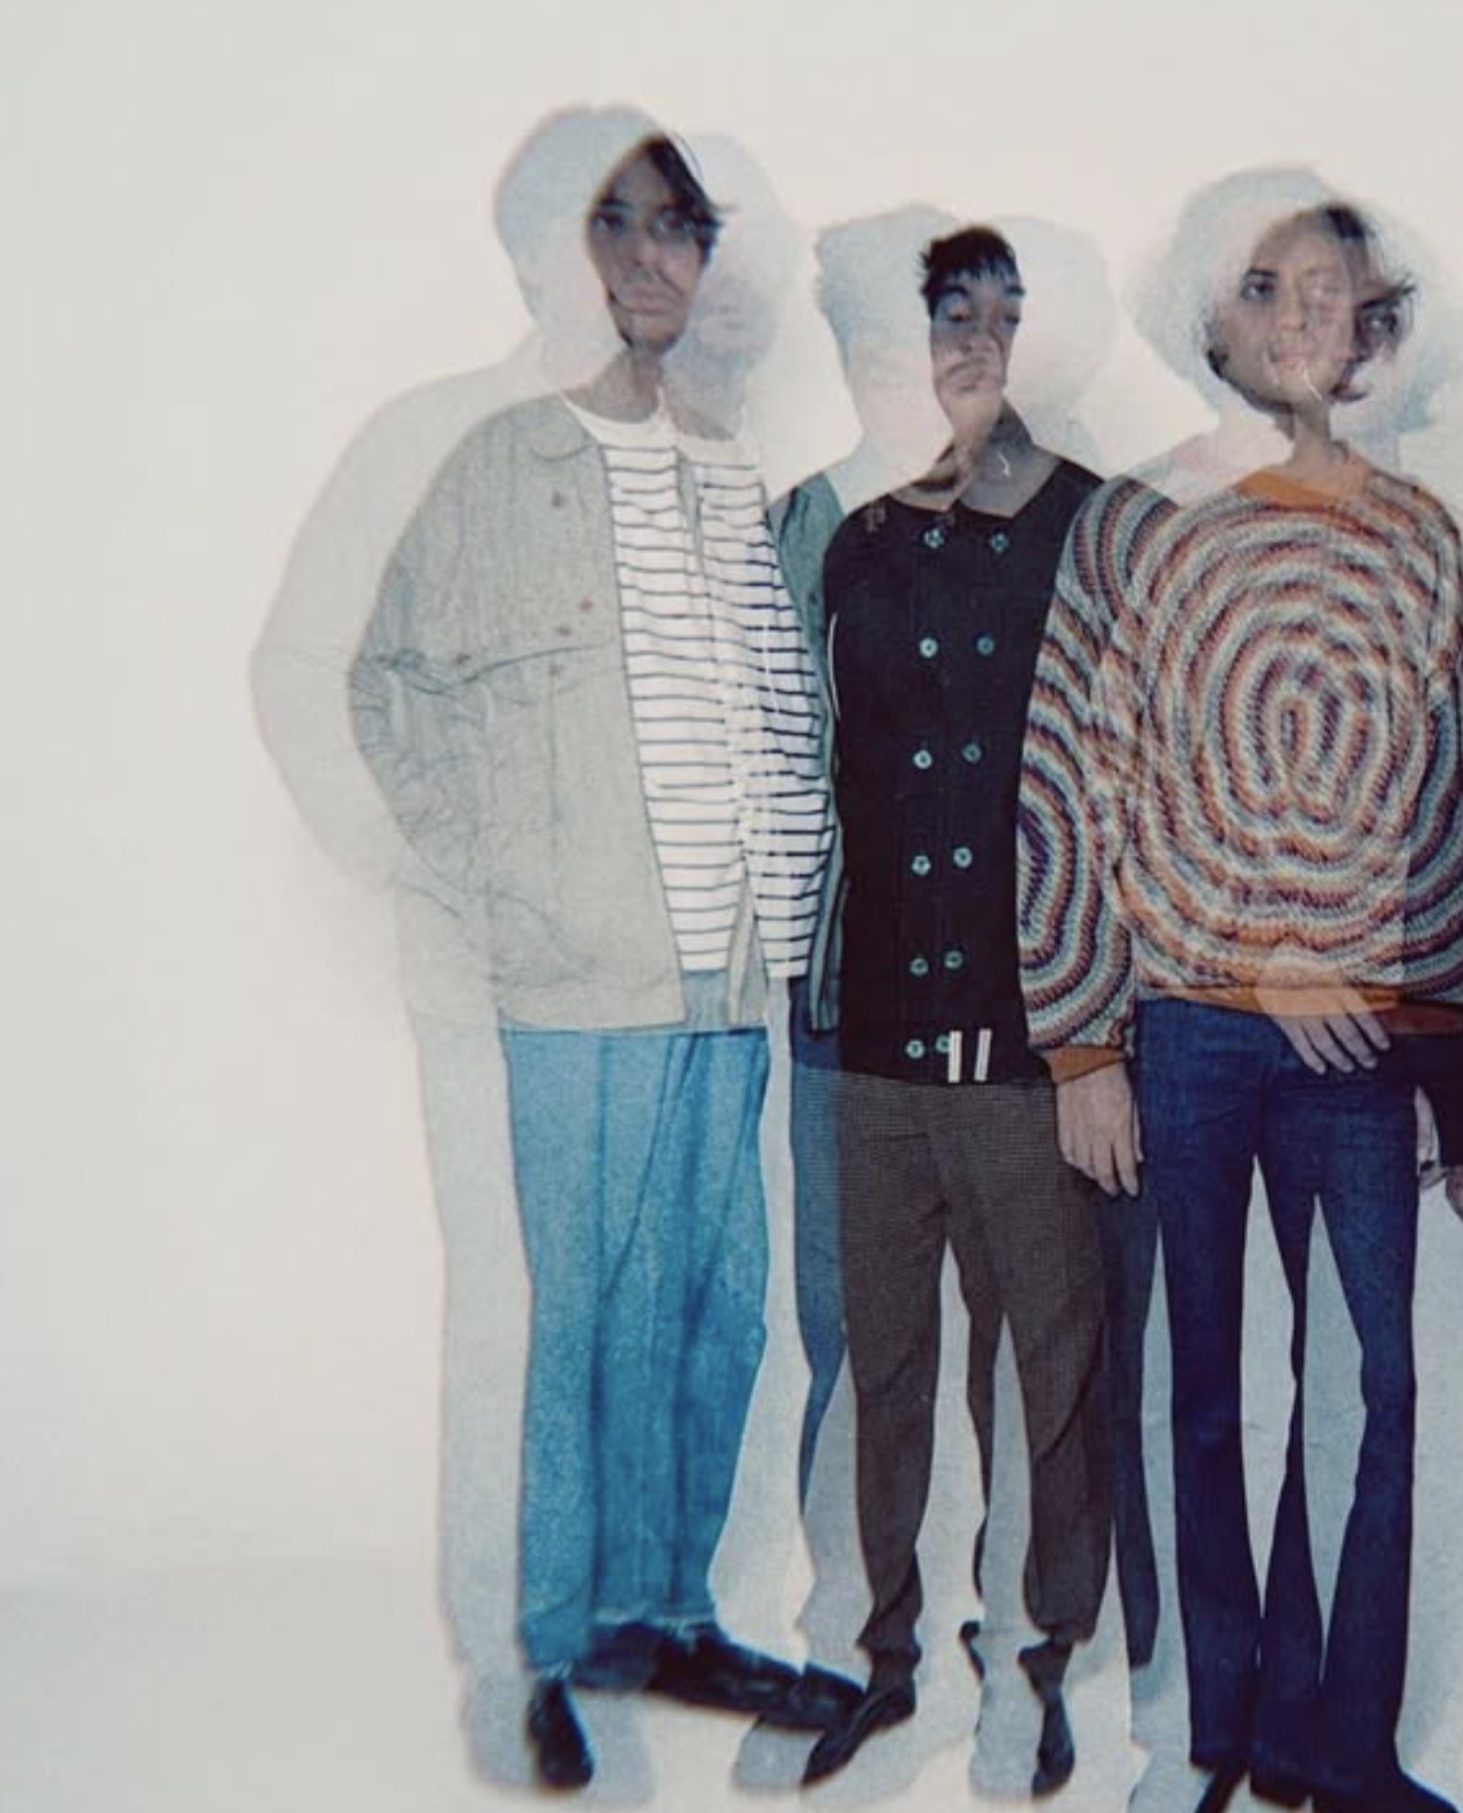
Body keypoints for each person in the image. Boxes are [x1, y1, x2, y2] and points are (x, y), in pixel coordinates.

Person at [348, 124, 840, 1791]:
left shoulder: (725, 467)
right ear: (560, 252)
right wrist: (503, 885)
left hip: (732, 975)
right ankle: (550, 1646)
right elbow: (384, 685)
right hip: (579, 981)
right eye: (613, 226)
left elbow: (767, 712)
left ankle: (663, 1609)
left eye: (676, 228)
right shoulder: (497, 464)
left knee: (711, 1304)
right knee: (574, 1318)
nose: (648, 259)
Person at [1016, 172, 1463, 1813]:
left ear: (1379, 327)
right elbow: (1081, 782)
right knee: (1203, 1383)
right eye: (1267, 288)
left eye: (1336, 292)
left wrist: (1438, 1055)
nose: (1305, 320)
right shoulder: (1140, 520)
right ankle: (1210, 1730)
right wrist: (1085, 1040)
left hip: (1364, 1044)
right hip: (1195, 1030)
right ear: (1207, 316)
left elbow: (1450, 804)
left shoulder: (1421, 535)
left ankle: (1340, 1743)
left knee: (1371, 1392)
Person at [791, 224, 1113, 1796]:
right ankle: (879, 1662)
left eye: (1004, 312)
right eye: (948, 313)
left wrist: (1095, 1033)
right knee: (882, 1369)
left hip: (1028, 1045)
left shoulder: (1093, 525)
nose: (976, 339)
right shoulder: (852, 541)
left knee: (1046, 1377)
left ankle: (1030, 1670)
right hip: (871, 1048)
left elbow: (1126, 784)